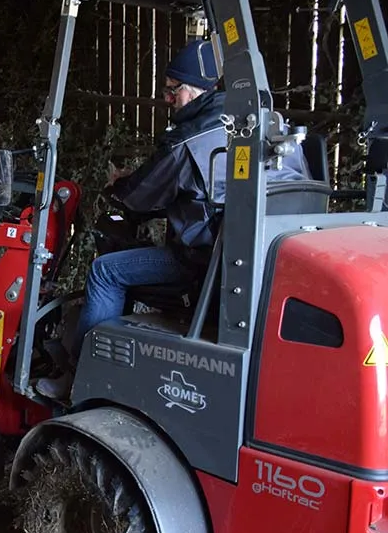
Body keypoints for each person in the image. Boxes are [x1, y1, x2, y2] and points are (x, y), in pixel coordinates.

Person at [36, 39, 311, 398]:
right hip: (259, 260)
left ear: (197, 88)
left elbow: (141, 195)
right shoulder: (265, 127)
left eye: (172, 90)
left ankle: (81, 379)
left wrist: (118, 184)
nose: (167, 98)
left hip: (203, 262)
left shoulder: (190, 139)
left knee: (105, 270)